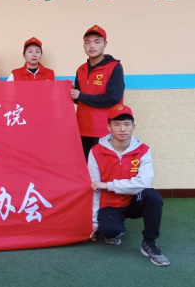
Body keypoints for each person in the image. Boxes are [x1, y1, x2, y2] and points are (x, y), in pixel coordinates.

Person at [88, 105, 169, 267]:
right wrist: (94, 222)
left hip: (134, 202)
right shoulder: (96, 151)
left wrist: (107, 185)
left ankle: (149, 243)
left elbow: (144, 183)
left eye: (126, 124)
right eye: (117, 124)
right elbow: (95, 188)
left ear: (133, 126)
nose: (122, 129)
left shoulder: (143, 150)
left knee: (152, 196)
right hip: (110, 204)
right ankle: (116, 229)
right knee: (110, 232)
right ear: (109, 127)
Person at [70, 25, 125, 160]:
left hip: (104, 130)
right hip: (82, 129)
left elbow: (113, 98)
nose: (91, 46)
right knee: (85, 168)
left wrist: (81, 95)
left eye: (97, 42)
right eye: (87, 42)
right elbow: (79, 99)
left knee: (105, 168)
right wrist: (71, 92)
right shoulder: (81, 69)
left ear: (105, 44)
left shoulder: (114, 67)